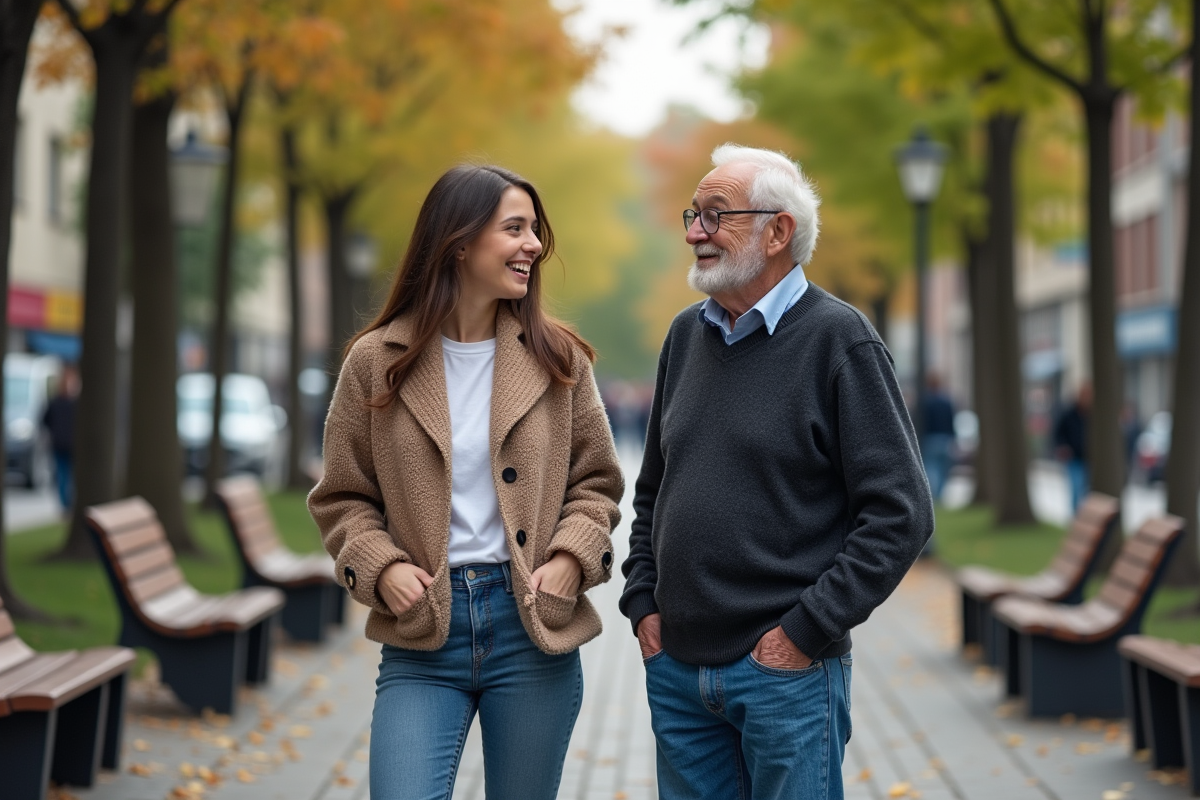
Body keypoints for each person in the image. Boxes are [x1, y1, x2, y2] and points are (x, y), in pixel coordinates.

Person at [620, 144, 934, 800]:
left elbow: (900, 513)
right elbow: (654, 488)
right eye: (692, 215)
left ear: (778, 231)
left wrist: (805, 631)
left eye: (715, 215)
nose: (693, 233)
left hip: (784, 673)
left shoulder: (840, 340)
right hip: (677, 669)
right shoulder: (685, 337)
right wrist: (643, 602)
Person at [308, 165, 624, 800]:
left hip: (531, 627)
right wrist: (380, 566)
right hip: (423, 633)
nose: (534, 244)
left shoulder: (557, 359)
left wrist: (569, 560)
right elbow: (343, 495)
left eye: (536, 229)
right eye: (515, 228)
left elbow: (596, 483)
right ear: (458, 241)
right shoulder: (376, 362)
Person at [41, 363, 78, 512]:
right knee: (66, 474)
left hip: (61, 443)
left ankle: (65, 504)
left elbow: (44, 421)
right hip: (66, 444)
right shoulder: (71, 402)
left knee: (63, 474)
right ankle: (66, 503)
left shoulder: (56, 402)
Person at [1053, 382, 1091, 512]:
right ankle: (1076, 518)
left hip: (1090, 459)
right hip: (1074, 459)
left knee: (1088, 492)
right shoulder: (1069, 415)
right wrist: (1063, 447)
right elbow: (1058, 434)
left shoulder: (1092, 415)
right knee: (1076, 489)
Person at [920, 373, 957, 503]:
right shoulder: (946, 402)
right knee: (943, 469)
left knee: (931, 468)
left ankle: (932, 495)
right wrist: (953, 438)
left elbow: (921, 423)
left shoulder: (924, 402)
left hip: (929, 439)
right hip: (945, 439)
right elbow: (951, 421)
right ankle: (940, 495)